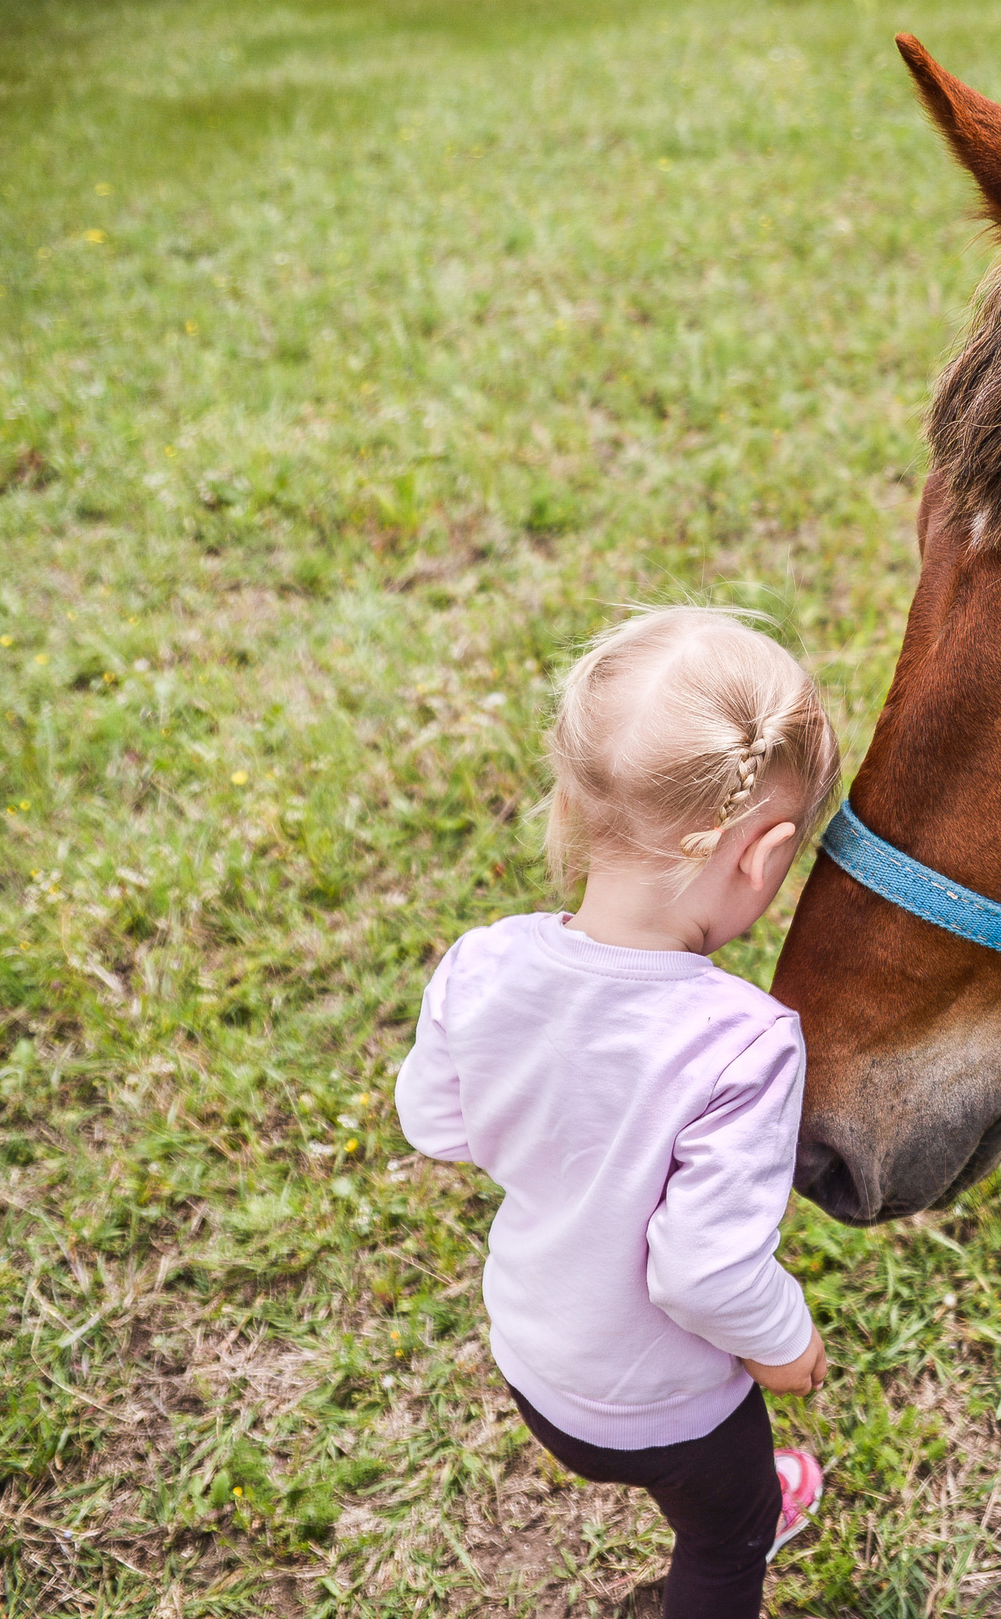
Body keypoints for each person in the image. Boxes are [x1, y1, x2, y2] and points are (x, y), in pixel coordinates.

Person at [395, 608, 840, 1619]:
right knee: (726, 1539)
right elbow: (702, 1269)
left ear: (577, 799)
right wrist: (784, 1340)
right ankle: (756, 1501)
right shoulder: (745, 1037)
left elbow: (435, 1120)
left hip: (532, 1360)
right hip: (668, 1407)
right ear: (764, 857)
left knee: (698, 1493)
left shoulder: (482, 959)